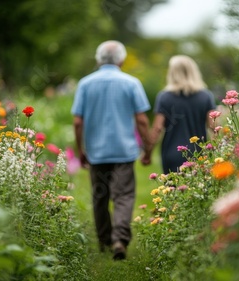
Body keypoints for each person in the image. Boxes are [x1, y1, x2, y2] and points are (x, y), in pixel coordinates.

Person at [71, 40, 153, 260]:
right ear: (122, 60)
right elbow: (142, 121)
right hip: (124, 151)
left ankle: (104, 241)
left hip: (96, 151)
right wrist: (147, 148)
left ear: (98, 60)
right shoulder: (131, 83)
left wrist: (81, 149)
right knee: (124, 195)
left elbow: (78, 122)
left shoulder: (85, 84)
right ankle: (120, 239)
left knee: (100, 197)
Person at [150, 55, 216, 174]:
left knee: (173, 190)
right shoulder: (206, 97)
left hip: (171, 153)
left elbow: (157, 128)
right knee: (197, 190)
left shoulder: (164, 97)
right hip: (199, 154)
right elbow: (214, 127)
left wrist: (147, 153)